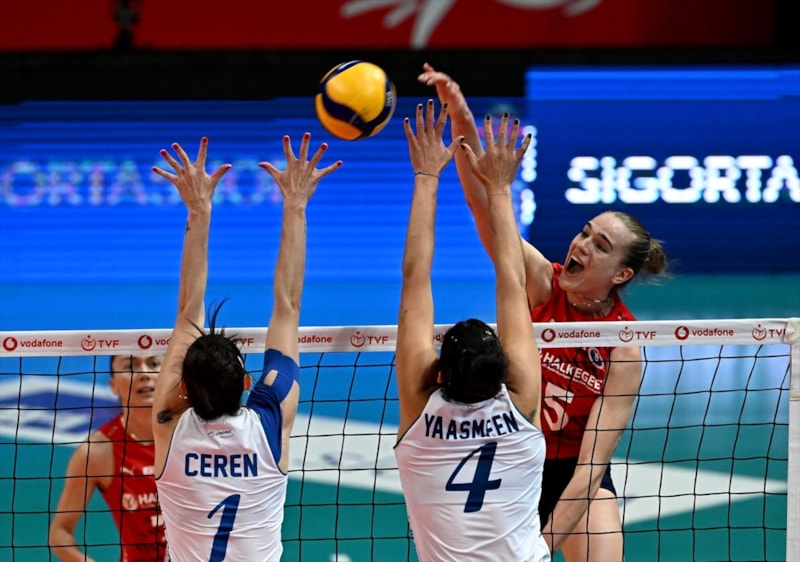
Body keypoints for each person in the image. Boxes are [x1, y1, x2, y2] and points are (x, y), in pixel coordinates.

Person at [419, 64, 668, 562]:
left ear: (620, 274)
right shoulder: (541, 282)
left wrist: (539, 549)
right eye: (585, 233)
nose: (582, 245)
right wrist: (460, 114)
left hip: (572, 472)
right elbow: (484, 205)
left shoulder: (623, 345)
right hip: (508, 459)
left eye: (600, 246)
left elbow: (592, 467)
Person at [150, 135, 341, 561]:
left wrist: (198, 210)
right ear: (247, 382)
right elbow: (288, 307)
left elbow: (188, 310)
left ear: (183, 388)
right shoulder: (268, 423)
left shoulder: (168, 424)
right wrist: (296, 205)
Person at [393, 100, 550, 562]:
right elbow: (513, 279)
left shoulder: (421, 410)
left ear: (440, 373)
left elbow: (415, 277)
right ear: (503, 372)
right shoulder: (522, 404)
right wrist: (500, 188)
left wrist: (427, 176)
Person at [49, 354, 167, 562]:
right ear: (113, 385)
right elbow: (60, 533)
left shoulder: (193, 436)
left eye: (154, 364)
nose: (144, 373)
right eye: (130, 366)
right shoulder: (96, 452)